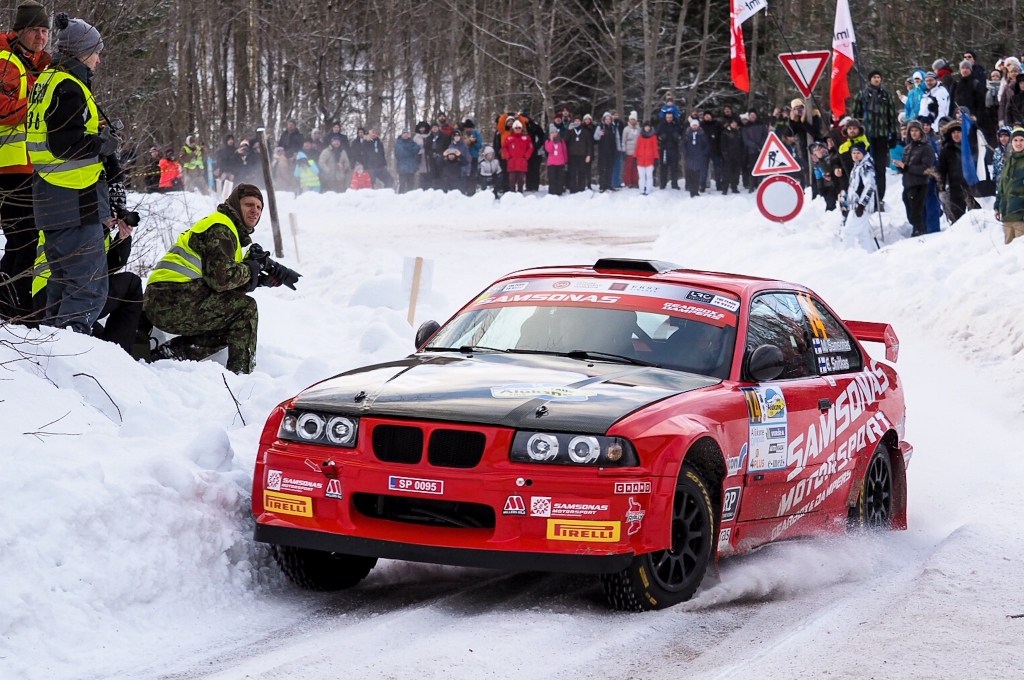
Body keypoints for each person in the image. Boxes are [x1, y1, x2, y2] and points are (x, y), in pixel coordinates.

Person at [27, 13, 119, 335]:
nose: (98, 59)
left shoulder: (47, 82)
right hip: (74, 201)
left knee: (62, 285)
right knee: (87, 289)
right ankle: (70, 353)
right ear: (80, 53)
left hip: (50, 200)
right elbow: (67, 142)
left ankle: (51, 349)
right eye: (95, 52)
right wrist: (104, 144)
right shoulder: (70, 87)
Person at [146, 184, 287, 374]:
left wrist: (256, 280)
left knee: (231, 319)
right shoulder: (221, 228)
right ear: (236, 204)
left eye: (259, 207)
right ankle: (241, 376)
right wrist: (251, 268)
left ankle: (170, 354)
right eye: (249, 204)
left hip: (170, 298)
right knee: (246, 309)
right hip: (171, 298)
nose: (255, 211)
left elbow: (219, 288)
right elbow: (220, 280)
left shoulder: (229, 230)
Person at [0, 0, 51, 322]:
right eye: (35, 29)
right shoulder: (5, 61)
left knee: (28, 241)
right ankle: (10, 308)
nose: (41, 36)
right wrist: (37, 106)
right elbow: (4, 110)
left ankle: (16, 305)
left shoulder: (40, 66)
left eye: (45, 31)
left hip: (34, 168)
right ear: (20, 31)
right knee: (22, 241)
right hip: (9, 167)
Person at [32, 211, 142, 353]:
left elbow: (101, 271)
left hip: (69, 295)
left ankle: (111, 356)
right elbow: (78, 262)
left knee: (98, 342)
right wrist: (99, 226)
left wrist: (122, 239)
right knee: (132, 285)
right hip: (52, 294)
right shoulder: (75, 220)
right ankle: (121, 357)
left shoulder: (92, 224)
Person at [853, 70, 900, 203]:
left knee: (880, 167)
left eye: (879, 77)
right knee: (865, 166)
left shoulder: (886, 96)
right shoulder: (862, 95)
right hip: (866, 137)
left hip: (882, 136)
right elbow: (855, 116)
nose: (877, 79)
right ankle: (864, 195)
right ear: (869, 79)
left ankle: (879, 196)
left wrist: (893, 133)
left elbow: (891, 115)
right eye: (874, 77)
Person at [893, 120, 935, 236]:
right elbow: (906, 166)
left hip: (920, 183)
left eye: (916, 130)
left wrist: (906, 167)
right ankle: (917, 227)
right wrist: (900, 167)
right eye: (911, 130)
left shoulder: (927, 148)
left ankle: (920, 230)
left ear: (921, 132)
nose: (913, 133)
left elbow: (925, 168)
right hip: (908, 182)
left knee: (917, 209)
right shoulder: (908, 147)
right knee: (909, 206)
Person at [842, 143, 878, 249]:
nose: (856, 155)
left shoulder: (865, 166)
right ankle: (868, 256)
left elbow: (870, 186)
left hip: (861, 207)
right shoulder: (857, 166)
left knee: (848, 232)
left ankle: (847, 256)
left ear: (863, 153)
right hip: (855, 205)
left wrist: (862, 205)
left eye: (858, 153)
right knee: (863, 235)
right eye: (853, 153)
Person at [937, 120, 969, 223]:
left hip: (972, 187)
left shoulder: (970, 148)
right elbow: (942, 170)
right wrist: (941, 188)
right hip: (955, 188)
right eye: (953, 132)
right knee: (957, 217)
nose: (956, 134)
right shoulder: (946, 150)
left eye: (958, 132)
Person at [995, 127, 1024, 244]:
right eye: (1015, 140)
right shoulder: (1009, 161)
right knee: (1008, 254)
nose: (1018, 143)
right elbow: (1002, 186)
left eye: (1021, 140)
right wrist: (997, 206)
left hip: (1020, 217)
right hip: (1007, 214)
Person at [502, 119, 533, 193]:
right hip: (512, 162)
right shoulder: (509, 138)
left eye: (519, 128)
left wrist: (526, 157)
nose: (518, 129)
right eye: (516, 128)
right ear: (513, 129)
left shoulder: (526, 138)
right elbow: (504, 147)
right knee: (511, 179)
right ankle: (512, 193)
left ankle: (520, 193)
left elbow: (530, 148)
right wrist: (508, 157)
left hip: (522, 162)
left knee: (521, 180)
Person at [742, 109, 768, 191]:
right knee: (752, 168)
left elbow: (765, 135)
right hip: (751, 150)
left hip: (761, 149)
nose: (752, 116)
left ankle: (760, 184)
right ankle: (751, 185)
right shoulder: (746, 127)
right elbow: (745, 139)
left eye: (754, 115)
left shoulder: (761, 124)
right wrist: (753, 145)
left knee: (761, 168)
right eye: (751, 115)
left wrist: (761, 144)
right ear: (749, 116)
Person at [565, 116, 592, 193]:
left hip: (582, 155)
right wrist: (569, 130)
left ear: (581, 122)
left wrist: (588, 155)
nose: (577, 123)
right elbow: (565, 140)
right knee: (572, 172)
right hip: (572, 155)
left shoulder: (585, 132)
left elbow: (589, 144)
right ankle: (572, 188)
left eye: (578, 121)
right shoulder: (571, 131)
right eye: (575, 121)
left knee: (582, 172)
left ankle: (581, 188)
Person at [594, 112, 620, 192]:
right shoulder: (600, 127)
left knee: (610, 169)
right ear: (604, 120)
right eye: (606, 119)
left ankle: (609, 185)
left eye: (609, 119)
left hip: (612, 151)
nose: (608, 120)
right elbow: (595, 137)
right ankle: (602, 185)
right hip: (603, 151)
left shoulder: (614, 127)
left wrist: (619, 149)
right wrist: (599, 134)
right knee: (603, 169)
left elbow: (617, 138)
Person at [683, 118, 708, 197]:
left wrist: (704, 153)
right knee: (690, 172)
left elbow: (706, 145)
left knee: (697, 173)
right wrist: (685, 152)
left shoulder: (702, 134)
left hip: (699, 156)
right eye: (693, 125)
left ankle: (696, 189)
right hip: (690, 156)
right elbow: (683, 145)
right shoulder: (687, 134)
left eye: (696, 125)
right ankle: (690, 188)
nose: (694, 127)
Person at [657, 112, 682, 189]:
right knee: (663, 167)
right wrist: (661, 137)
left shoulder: (676, 125)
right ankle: (663, 184)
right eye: (667, 117)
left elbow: (682, 134)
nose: (669, 119)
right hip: (664, 149)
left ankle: (674, 184)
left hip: (674, 148)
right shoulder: (661, 125)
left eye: (670, 117)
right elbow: (657, 135)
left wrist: (678, 137)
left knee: (674, 167)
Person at [719, 118, 744, 195]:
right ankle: (725, 188)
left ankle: (734, 187)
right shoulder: (725, 132)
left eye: (735, 123)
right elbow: (722, 144)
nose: (734, 124)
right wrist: (725, 153)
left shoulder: (739, 132)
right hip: (728, 156)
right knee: (726, 173)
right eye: (732, 123)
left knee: (736, 172)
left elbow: (742, 144)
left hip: (737, 155)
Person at [441, 129, 470, 194]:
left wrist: (467, 169)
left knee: (461, 189)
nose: (457, 138)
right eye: (455, 136)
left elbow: (467, 158)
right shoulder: (451, 146)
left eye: (458, 136)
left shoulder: (464, 146)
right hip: (452, 170)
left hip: (462, 169)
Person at [700, 111, 723, 191]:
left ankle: (719, 185)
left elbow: (721, 136)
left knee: (718, 169)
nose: (707, 117)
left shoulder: (717, 124)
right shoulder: (701, 125)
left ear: (711, 116)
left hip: (716, 150)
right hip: (704, 151)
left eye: (708, 115)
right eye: (705, 116)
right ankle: (702, 186)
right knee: (704, 169)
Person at [635, 120, 659, 196]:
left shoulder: (653, 137)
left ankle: (648, 189)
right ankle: (642, 190)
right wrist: (635, 157)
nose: (647, 128)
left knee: (649, 176)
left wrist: (656, 158)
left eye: (648, 127)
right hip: (640, 160)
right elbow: (637, 148)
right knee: (641, 177)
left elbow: (655, 148)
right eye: (646, 127)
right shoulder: (640, 137)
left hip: (650, 160)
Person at [394, 128, 420, 194]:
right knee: (402, 184)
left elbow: (417, 148)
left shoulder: (412, 142)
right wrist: (410, 151)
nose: (405, 135)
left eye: (407, 134)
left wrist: (407, 149)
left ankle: (410, 197)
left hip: (411, 167)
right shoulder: (398, 142)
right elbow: (401, 153)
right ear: (402, 134)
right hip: (402, 167)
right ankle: (400, 197)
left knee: (411, 184)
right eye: (404, 134)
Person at [544, 125, 567, 196]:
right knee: (552, 178)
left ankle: (559, 191)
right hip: (552, 163)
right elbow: (549, 150)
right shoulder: (547, 141)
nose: (554, 134)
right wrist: (551, 140)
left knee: (560, 178)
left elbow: (564, 151)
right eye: (552, 132)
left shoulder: (561, 141)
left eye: (555, 132)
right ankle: (552, 192)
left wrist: (565, 161)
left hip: (560, 163)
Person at [621, 111, 640, 188]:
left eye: (634, 119)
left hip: (637, 152)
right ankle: (628, 182)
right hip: (629, 151)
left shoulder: (639, 129)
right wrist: (624, 150)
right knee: (629, 168)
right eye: (631, 119)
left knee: (636, 168)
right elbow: (623, 140)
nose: (633, 121)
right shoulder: (626, 129)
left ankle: (635, 182)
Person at [413, 121, 431, 189]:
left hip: (428, 156)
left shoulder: (430, 136)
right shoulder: (416, 138)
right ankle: (421, 188)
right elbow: (414, 147)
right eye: (420, 128)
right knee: (422, 175)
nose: (422, 129)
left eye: (423, 128)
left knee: (429, 173)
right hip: (420, 156)